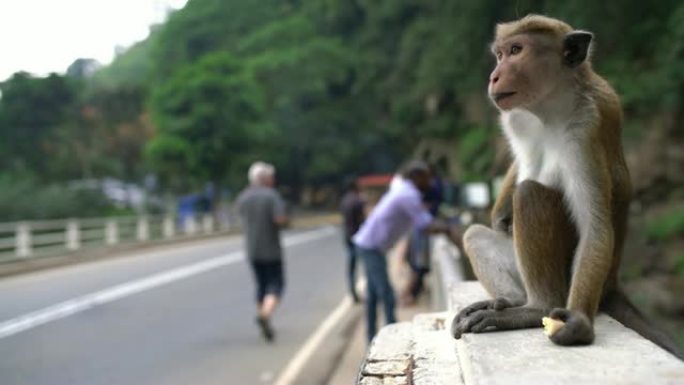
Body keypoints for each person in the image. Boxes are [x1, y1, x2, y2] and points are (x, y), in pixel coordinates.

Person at [353, 160, 449, 342]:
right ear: (416, 177)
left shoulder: (405, 190)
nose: (429, 183)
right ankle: (394, 340)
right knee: (386, 294)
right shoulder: (408, 195)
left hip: (370, 245)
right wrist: (449, 229)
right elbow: (425, 224)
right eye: (426, 178)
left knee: (373, 295)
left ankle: (371, 338)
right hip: (371, 247)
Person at [236, 161, 289, 342]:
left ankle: (263, 316)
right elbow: (280, 219)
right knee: (276, 285)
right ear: (265, 179)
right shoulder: (271, 196)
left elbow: (241, 216)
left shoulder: (243, 197)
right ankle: (266, 314)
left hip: (252, 250)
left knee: (261, 285)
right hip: (271, 250)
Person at [402, 165, 444, 305]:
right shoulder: (414, 192)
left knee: (418, 265)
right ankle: (410, 293)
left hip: (423, 229)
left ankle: (411, 293)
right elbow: (423, 220)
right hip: (422, 230)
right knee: (418, 264)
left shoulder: (432, 187)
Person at [340, 178, 365, 303]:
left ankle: (352, 292)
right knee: (365, 265)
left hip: (347, 236)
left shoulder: (344, 200)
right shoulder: (357, 200)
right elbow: (362, 220)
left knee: (351, 267)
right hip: (358, 237)